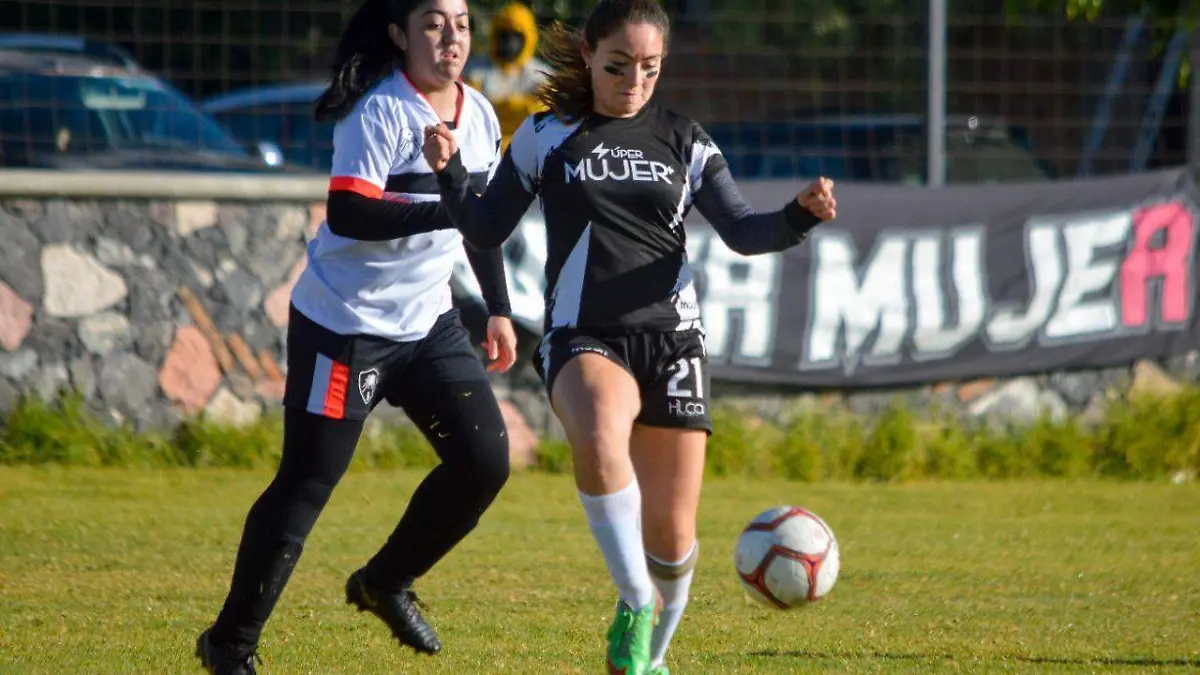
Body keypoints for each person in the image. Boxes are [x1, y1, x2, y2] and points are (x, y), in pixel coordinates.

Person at [422, 1, 838, 673]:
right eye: (618, 66)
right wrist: (449, 173)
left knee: (672, 538)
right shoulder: (545, 135)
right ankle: (636, 600)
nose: (634, 81)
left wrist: (799, 215)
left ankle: (643, 661)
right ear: (588, 55)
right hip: (584, 333)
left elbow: (743, 231)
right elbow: (486, 227)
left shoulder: (686, 138)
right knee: (597, 431)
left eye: (650, 68)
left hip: (673, 342)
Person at [194, 0, 518, 673]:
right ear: (399, 35)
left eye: (461, 22)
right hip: (345, 326)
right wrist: (451, 203)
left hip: (429, 325)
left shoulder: (482, 116)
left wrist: (497, 308)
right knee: (306, 484)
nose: (452, 37)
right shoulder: (380, 110)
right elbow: (348, 212)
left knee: (484, 462)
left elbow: (481, 223)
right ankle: (230, 643)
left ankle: (385, 581)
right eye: (433, 22)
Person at [463, 1, 546, 149]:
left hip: (528, 148)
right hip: (484, 145)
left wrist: (497, 107)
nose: (509, 43)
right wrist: (519, 107)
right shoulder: (474, 71)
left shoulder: (540, 75)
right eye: (504, 36)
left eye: (516, 37)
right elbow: (469, 112)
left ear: (528, 38)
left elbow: (542, 115)